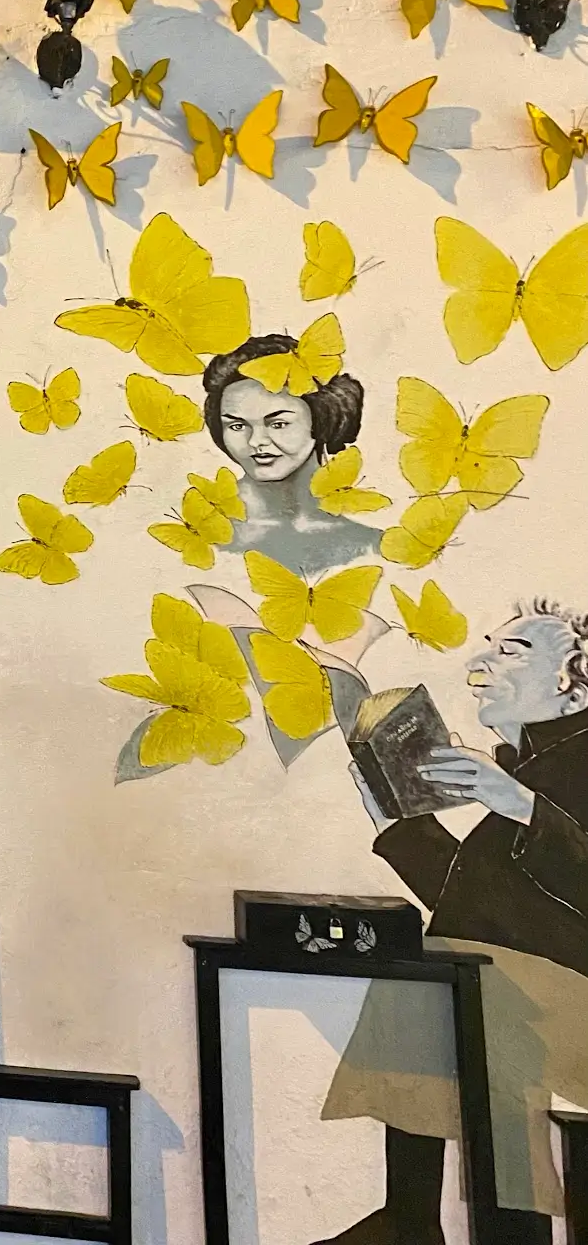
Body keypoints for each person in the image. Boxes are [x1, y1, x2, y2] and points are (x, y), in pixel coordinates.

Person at [316, 600, 588, 1245]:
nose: (479, 665)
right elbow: (478, 913)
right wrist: (399, 823)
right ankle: (410, 1216)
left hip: (558, 1003)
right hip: (521, 995)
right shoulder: (521, 771)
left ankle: (502, 1229)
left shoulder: (554, 774)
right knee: (436, 977)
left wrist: (520, 806)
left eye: (512, 650)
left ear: (572, 678)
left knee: (482, 1000)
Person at [202, 334, 381, 573]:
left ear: (322, 420)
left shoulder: (370, 547)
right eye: (237, 426)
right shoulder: (205, 537)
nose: (256, 441)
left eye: (278, 424)